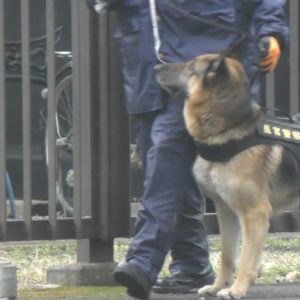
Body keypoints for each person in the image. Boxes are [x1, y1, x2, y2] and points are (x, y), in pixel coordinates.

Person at [85, 1, 288, 299]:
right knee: (169, 170)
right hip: (145, 63)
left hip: (206, 66)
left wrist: (271, 30)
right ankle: (192, 265)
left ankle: (143, 259)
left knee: (163, 163)